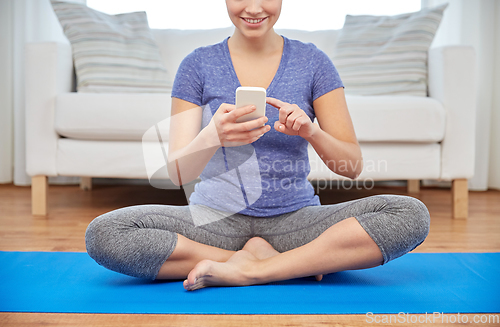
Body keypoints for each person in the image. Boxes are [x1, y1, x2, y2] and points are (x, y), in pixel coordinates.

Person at [85, 0, 430, 291]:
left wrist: (312, 132)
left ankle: (252, 270)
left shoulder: (313, 62)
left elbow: (351, 167)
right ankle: (285, 265)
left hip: (296, 221)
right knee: (104, 233)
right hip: (213, 223)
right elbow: (178, 174)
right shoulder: (197, 65)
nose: (253, 8)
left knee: (411, 215)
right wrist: (211, 136)